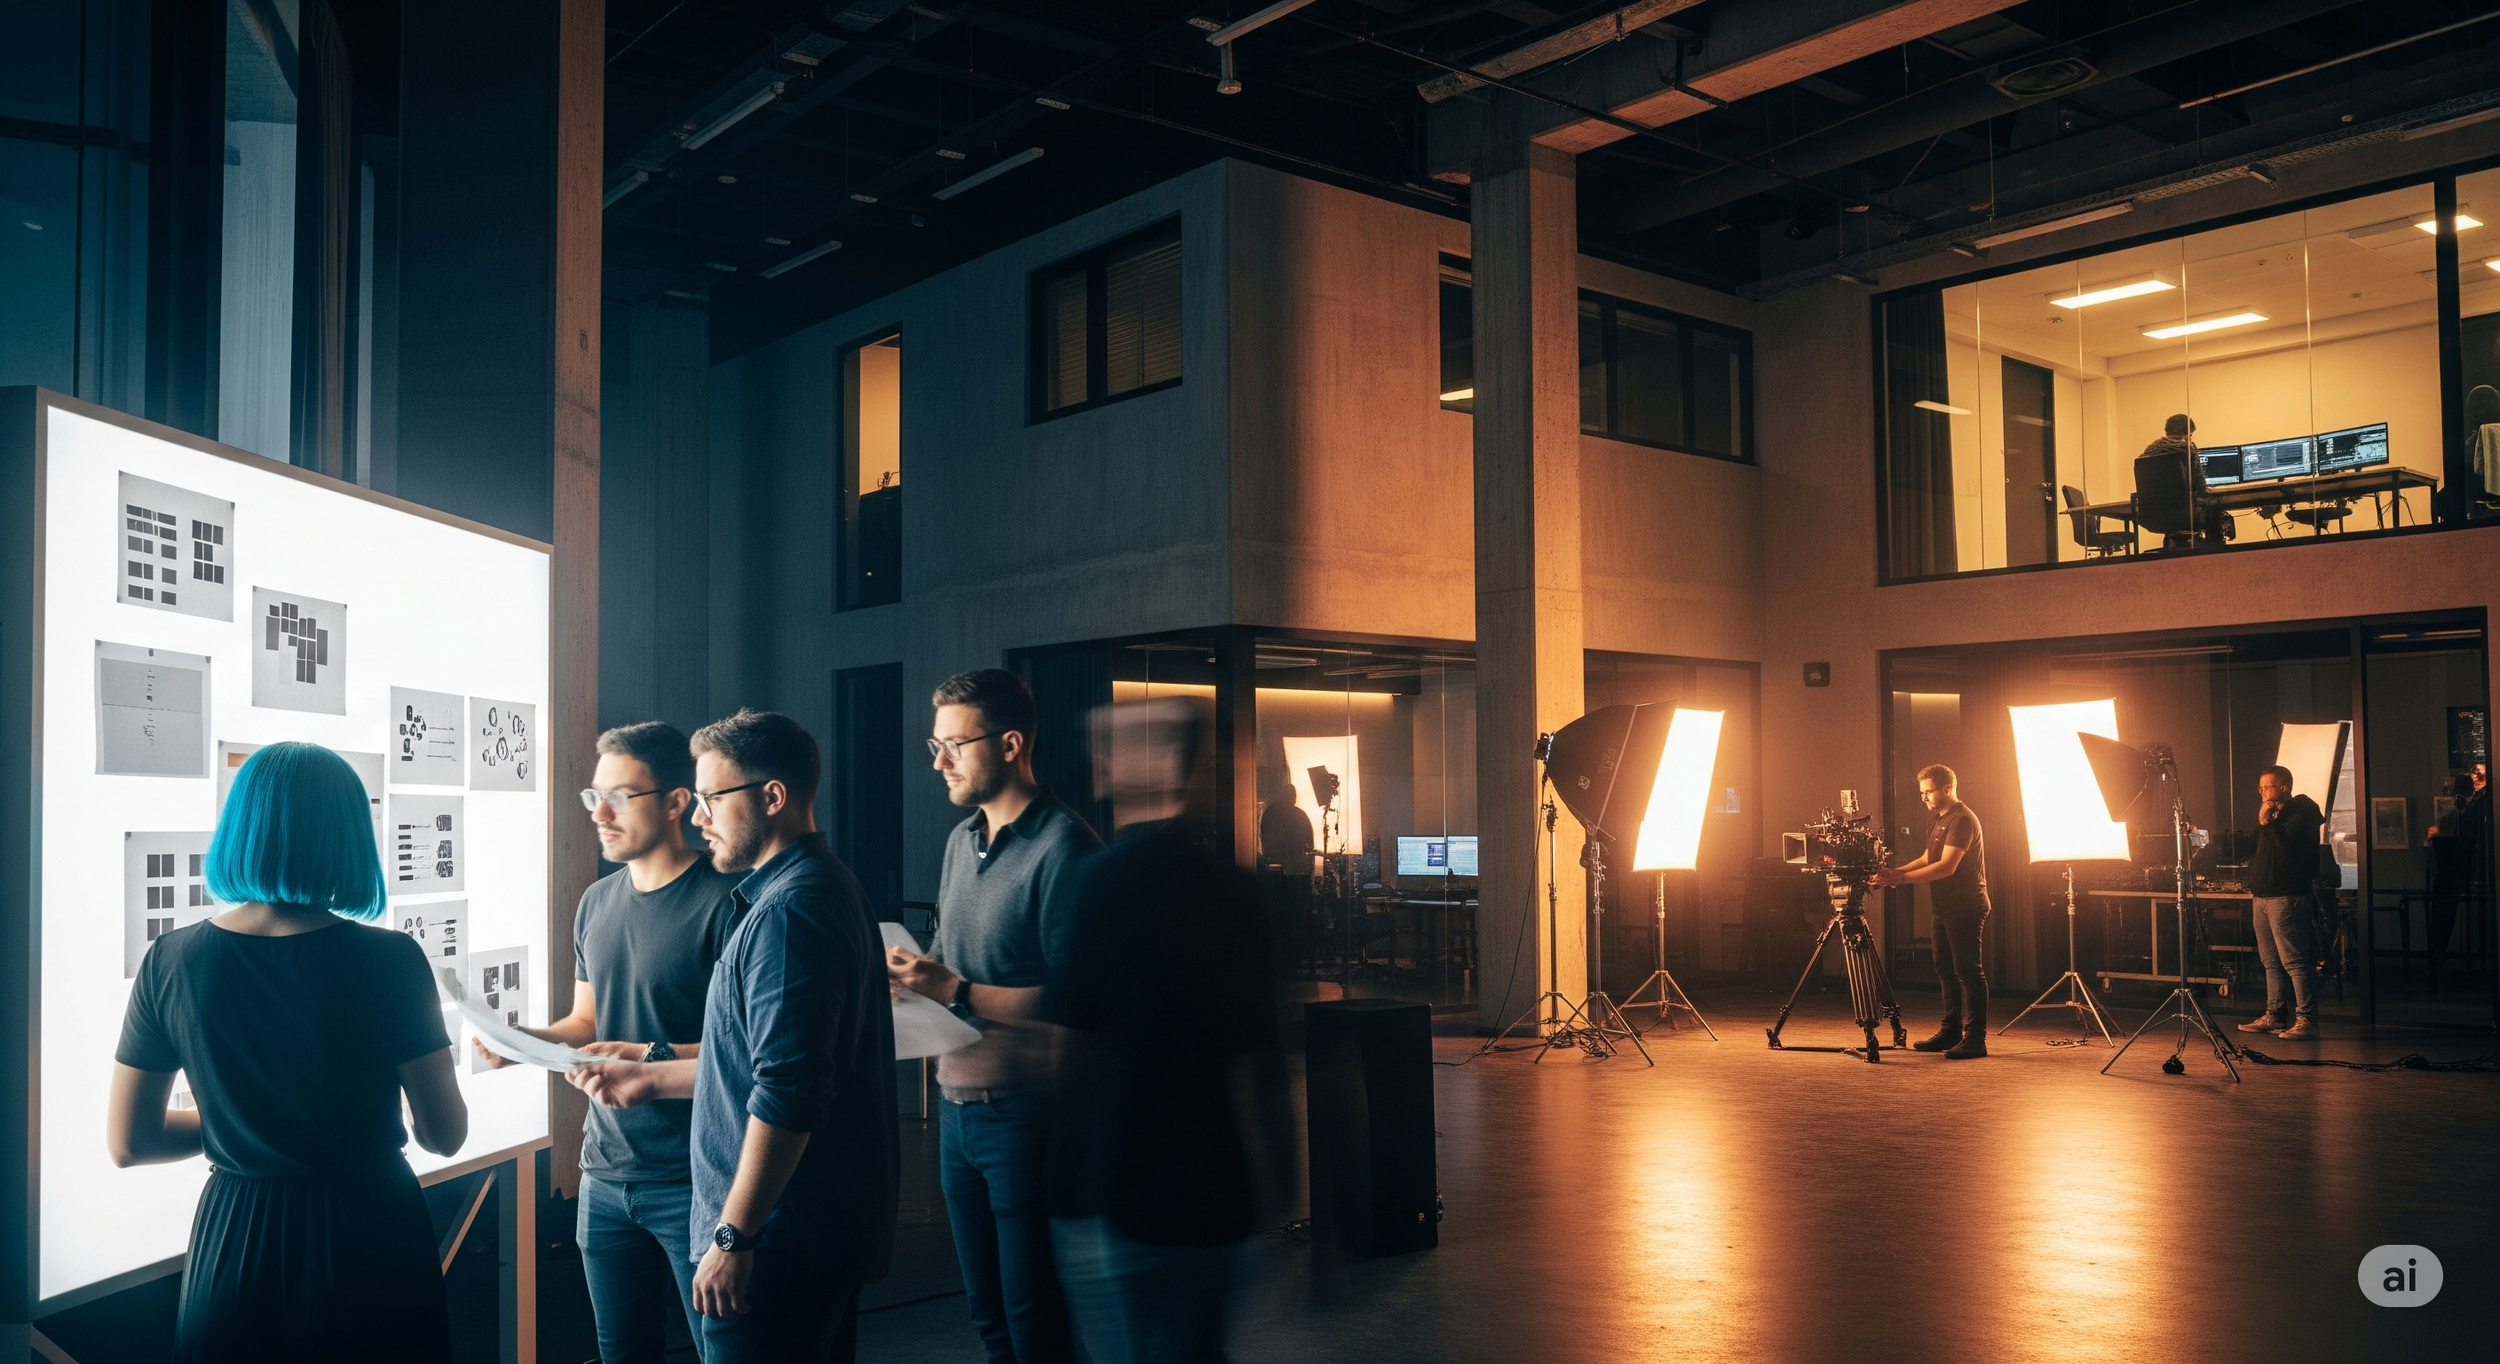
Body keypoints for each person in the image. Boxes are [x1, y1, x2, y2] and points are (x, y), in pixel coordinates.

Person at [107, 742, 468, 1363]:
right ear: (349, 836)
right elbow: (443, 1134)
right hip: (369, 1233)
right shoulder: (390, 961)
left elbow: (129, 1142)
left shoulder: (172, 960)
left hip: (236, 1236)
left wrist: (239, 1121)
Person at [571, 710, 898, 1364]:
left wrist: (731, 1237)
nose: (699, 817)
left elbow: (789, 1091)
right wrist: (651, 1065)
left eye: (714, 798)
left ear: (772, 797)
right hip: (801, 1235)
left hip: (779, 1243)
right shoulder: (814, 888)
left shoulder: (791, 911)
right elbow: (752, 1060)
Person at [477, 722, 744, 1364]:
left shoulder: (727, 902)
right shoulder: (597, 902)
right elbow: (587, 1026)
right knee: (621, 1352)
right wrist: (524, 1041)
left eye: (620, 796)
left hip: (697, 1177)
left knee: (725, 1351)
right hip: (605, 1174)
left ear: (678, 801)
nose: (600, 812)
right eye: (592, 795)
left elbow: (745, 1051)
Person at [1045, 697, 1290, 1364]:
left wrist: (1064, 1183)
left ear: (1158, 763)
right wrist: (1286, 1183)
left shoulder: (1098, 881)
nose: (1100, 759)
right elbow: (1264, 1057)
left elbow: (1077, 1044)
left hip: (1127, 1181)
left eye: (1115, 746)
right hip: (1220, 1185)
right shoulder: (1237, 891)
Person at [888, 669, 1102, 1364]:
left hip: (1028, 1117)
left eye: (955, 744)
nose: (939, 761)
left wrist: (952, 989)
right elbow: (950, 962)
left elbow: (1082, 997)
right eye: (935, 744)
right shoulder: (960, 841)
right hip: (957, 1113)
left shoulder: (1066, 848)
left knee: (1034, 1316)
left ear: (1010, 744)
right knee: (988, 1315)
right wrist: (913, 983)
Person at [1872, 764, 1992, 1059]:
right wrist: (1895, 872)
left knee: (1968, 972)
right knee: (1944, 970)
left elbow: (1946, 866)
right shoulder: (1937, 819)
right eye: (1922, 793)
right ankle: (1951, 1032)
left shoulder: (1963, 819)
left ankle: (1975, 1039)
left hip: (1966, 906)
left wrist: (1901, 879)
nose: (1924, 798)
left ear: (1947, 788)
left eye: (1928, 792)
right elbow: (1929, 857)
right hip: (1944, 907)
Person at [2236, 765, 2323, 1040]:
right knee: (2270, 962)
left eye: (2267, 786)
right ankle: (2274, 1016)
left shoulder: (2302, 812)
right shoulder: (2277, 816)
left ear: (2283, 787)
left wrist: (2267, 822)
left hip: (2287, 897)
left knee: (2294, 962)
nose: (2262, 792)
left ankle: (2307, 1021)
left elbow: (2288, 847)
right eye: (2260, 787)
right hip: (2264, 897)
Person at [2138, 413, 2231, 547]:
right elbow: (2201, 487)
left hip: (2154, 517)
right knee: (2214, 507)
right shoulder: (2188, 448)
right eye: (2191, 434)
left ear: (2166, 431)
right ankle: (2216, 553)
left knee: (2174, 517)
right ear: (2187, 433)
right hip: (2186, 515)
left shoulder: (2148, 450)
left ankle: (2170, 546)